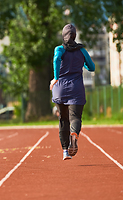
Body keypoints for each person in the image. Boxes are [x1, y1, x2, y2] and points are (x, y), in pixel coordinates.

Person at [50, 24, 95, 160]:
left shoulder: (59, 49)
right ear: (75, 35)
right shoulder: (82, 51)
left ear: (63, 35)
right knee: (75, 118)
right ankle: (74, 134)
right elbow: (91, 67)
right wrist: (83, 64)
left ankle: (65, 151)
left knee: (63, 119)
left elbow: (57, 59)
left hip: (60, 89)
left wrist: (56, 78)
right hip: (76, 89)